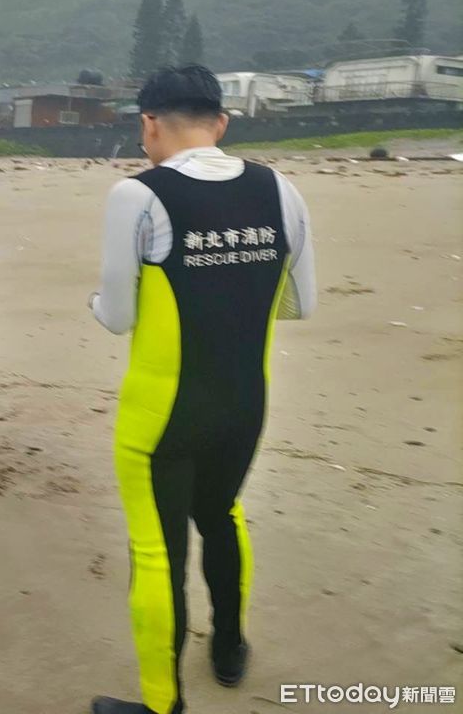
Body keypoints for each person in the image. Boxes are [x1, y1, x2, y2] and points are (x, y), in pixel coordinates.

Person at [88, 66, 316, 714]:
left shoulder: (138, 195)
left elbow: (118, 316)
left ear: (149, 123)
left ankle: (164, 705)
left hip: (161, 417)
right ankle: (230, 647)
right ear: (220, 123)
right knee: (221, 514)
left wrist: (95, 303)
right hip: (244, 406)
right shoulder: (280, 190)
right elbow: (300, 304)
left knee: (156, 554)